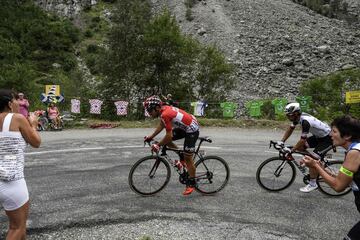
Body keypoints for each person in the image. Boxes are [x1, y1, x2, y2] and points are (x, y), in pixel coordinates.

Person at [301, 115, 360, 239]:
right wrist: (321, 168)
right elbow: (345, 179)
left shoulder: (354, 153)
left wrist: (315, 166)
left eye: (334, 131)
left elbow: (338, 186)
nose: (331, 135)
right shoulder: (356, 148)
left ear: (347, 135)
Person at [0, 89, 41, 240]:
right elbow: (36, 142)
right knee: (17, 227)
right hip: (11, 180)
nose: (19, 102)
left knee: (20, 227)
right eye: (16, 99)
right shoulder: (17, 118)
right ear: (10, 104)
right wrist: (34, 125)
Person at [144, 95, 200, 195]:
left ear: (157, 108)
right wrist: (151, 136)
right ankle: (181, 154)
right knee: (166, 141)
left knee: (188, 158)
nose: (149, 113)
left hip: (192, 129)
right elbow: (162, 125)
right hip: (186, 125)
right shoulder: (163, 111)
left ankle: (192, 183)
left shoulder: (165, 113)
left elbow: (168, 136)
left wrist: (158, 145)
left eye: (149, 110)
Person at [279, 102, 333, 193]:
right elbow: (290, 129)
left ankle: (313, 184)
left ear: (296, 114)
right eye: (287, 115)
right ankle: (316, 161)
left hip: (328, 139)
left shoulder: (305, 122)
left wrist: (292, 150)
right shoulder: (298, 118)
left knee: (311, 160)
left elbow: (302, 140)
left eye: (290, 115)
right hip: (319, 137)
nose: (288, 117)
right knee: (301, 148)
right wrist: (282, 141)